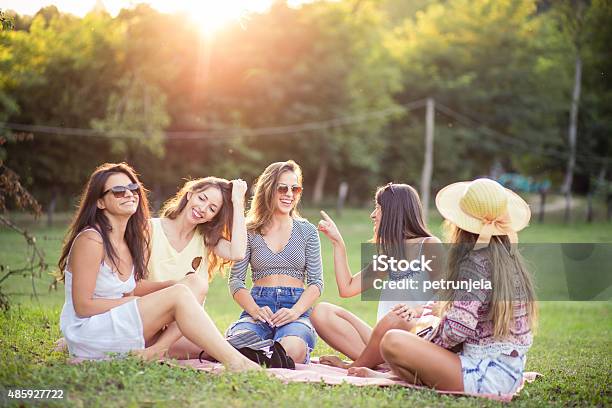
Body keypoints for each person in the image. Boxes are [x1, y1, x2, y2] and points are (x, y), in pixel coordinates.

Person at [58, 162, 258, 371]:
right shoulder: (92, 240)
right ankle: (237, 363)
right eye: (118, 191)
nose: (129, 194)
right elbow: (83, 306)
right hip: (93, 331)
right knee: (185, 299)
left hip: (127, 323)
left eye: (133, 189)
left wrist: (237, 201)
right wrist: (139, 300)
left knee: (207, 342)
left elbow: (237, 253)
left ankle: (237, 359)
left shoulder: (125, 240)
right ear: (100, 202)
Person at [349, 178, 537, 397]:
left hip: (481, 376)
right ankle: (388, 376)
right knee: (402, 343)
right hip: (509, 373)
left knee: (393, 341)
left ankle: (391, 375)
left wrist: (423, 339)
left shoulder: (473, 263)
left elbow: (457, 328)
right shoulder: (508, 259)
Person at [311, 183, 441, 369]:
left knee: (397, 319)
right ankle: (382, 364)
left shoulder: (429, 245)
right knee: (322, 312)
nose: (373, 214)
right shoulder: (390, 255)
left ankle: (357, 365)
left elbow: (448, 300)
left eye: (378, 208)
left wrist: (416, 311)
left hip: (416, 337)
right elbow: (347, 288)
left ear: (394, 212)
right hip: (383, 337)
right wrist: (337, 242)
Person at [136, 177, 248, 359]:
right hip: (146, 319)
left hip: (175, 330)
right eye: (202, 198)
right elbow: (131, 286)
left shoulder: (206, 239)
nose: (203, 209)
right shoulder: (149, 229)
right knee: (195, 283)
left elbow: (238, 253)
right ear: (189, 194)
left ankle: (159, 348)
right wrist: (174, 288)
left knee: (217, 350)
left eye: (212, 208)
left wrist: (237, 202)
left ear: (214, 216)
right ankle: (159, 349)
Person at [227, 160, 323, 364]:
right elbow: (236, 280)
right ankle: (259, 351)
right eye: (282, 188)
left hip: (295, 308)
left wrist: (295, 312)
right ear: (269, 189)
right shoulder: (249, 231)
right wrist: (254, 310)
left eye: (295, 189)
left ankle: (265, 354)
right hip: (258, 307)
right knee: (239, 341)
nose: (289, 194)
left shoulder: (308, 231)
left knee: (292, 349)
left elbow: (316, 283)